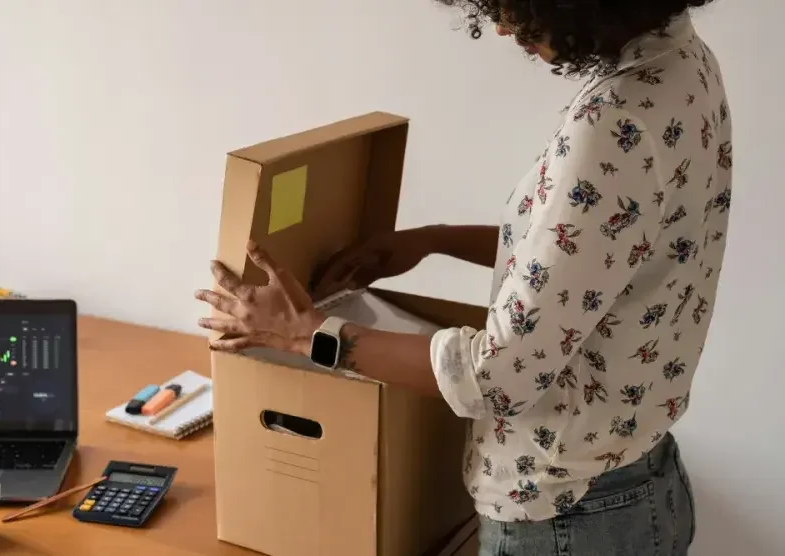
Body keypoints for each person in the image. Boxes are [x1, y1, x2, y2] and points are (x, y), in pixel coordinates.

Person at [195, 1, 729, 554]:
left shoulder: (616, 120)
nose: (500, 23)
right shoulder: (682, 63)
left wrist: (302, 335)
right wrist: (433, 240)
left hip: (563, 513)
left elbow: (497, 376)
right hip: (643, 482)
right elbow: (591, 257)